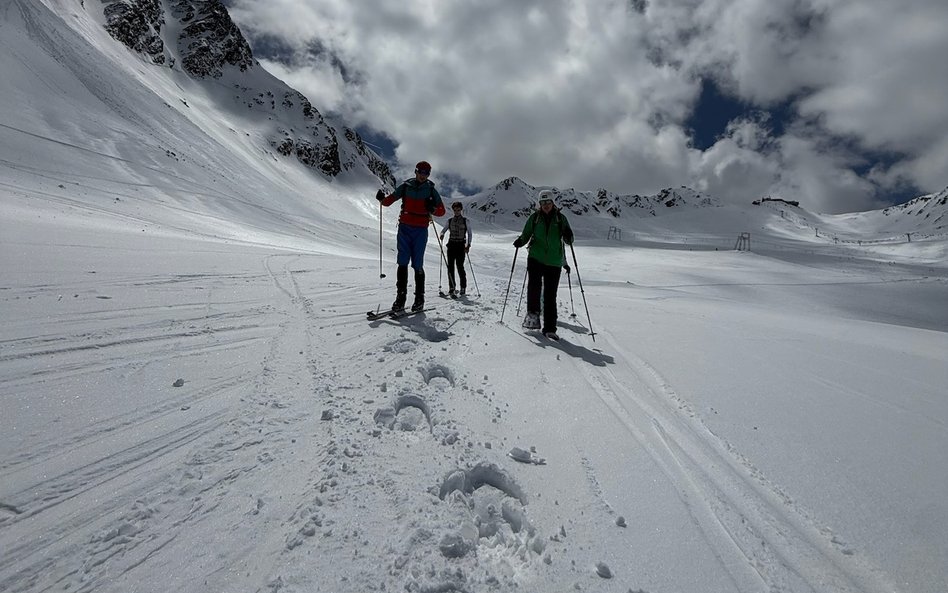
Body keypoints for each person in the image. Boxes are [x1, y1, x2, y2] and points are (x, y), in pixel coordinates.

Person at [377, 160, 446, 312]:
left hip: (420, 230)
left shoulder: (431, 190)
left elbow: (442, 211)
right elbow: (389, 201)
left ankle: (419, 299)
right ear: (416, 171)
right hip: (405, 228)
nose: (423, 175)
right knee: (402, 262)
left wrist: (432, 209)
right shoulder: (406, 186)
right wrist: (382, 199)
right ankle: (400, 299)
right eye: (421, 172)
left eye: (426, 173)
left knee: (417, 264)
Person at [512, 189, 574, 339]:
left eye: (548, 202)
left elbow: (569, 239)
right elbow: (526, 234)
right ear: (539, 204)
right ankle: (533, 318)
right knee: (534, 287)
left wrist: (568, 236)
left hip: (554, 261)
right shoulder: (535, 218)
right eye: (542, 202)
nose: (545, 205)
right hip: (535, 257)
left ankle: (550, 328)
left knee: (550, 294)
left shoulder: (561, 219)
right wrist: (521, 241)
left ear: (553, 203)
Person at [439, 201, 473, 297]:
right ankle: (452, 287)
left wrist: (468, 245)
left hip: (461, 245)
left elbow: (469, 233)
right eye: (455, 210)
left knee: (460, 267)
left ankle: (463, 287)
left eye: (458, 210)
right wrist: (442, 234)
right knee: (450, 267)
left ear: (461, 210)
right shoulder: (449, 221)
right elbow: (444, 230)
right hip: (451, 245)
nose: (457, 211)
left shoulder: (466, 221)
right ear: (453, 210)